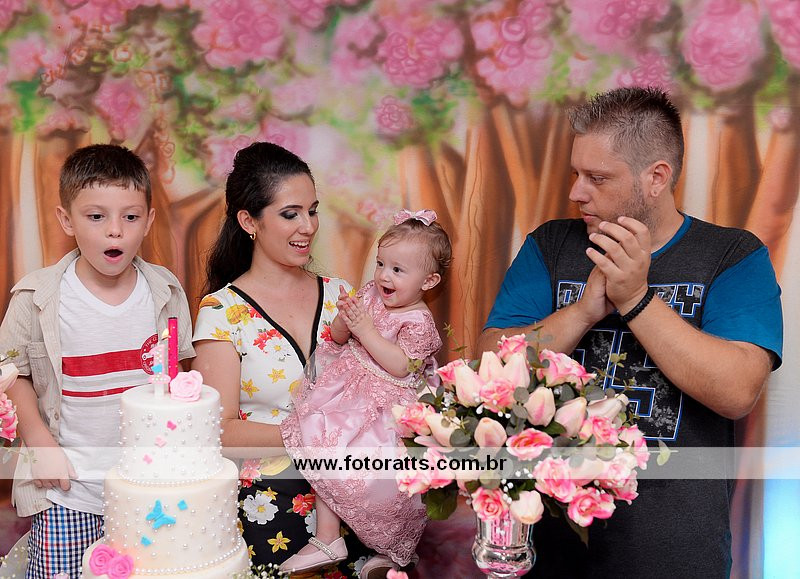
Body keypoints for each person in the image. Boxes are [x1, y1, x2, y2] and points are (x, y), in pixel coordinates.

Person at [477, 87, 783, 579]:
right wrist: (583, 310)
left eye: (597, 178)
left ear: (656, 177)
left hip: (675, 555)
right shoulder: (552, 245)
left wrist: (636, 298)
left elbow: (737, 390)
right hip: (549, 546)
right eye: (576, 174)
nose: (577, 192)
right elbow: (489, 367)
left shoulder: (731, 255)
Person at [0, 144, 195, 579]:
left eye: (130, 217)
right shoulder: (36, 297)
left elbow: (180, 377)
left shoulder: (165, 292)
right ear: (66, 220)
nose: (115, 231)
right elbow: (11, 374)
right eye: (96, 217)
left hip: (150, 491)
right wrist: (40, 443)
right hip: (68, 492)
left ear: (149, 220)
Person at [191, 141, 372, 574]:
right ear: (248, 221)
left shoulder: (342, 296)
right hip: (270, 512)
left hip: (356, 506)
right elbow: (217, 431)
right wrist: (313, 438)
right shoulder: (222, 311)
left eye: (312, 211)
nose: (308, 226)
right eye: (290, 214)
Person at [279, 209, 452, 576]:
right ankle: (328, 537)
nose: (384, 276)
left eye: (398, 270)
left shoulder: (419, 320)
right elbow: (338, 337)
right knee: (322, 442)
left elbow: (401, 366)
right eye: (381, 264)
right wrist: (345, 319)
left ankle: (391, 552)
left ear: (429, 280)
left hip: (390, 408)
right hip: (347, 391)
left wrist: (367, 330)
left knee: (386, 482)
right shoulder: (372, 294)